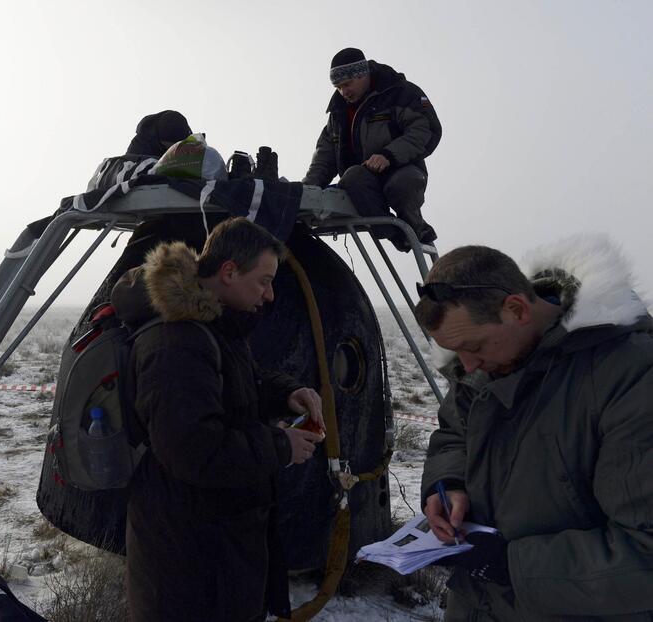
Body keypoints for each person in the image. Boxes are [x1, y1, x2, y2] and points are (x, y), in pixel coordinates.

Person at [416, 237, 653, 620]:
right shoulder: (484, 363)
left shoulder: (631, 376)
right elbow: (453, 433)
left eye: (474, 347)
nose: (468, 367)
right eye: (455, 351)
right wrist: (448, 483)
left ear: (516, 309)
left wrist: (511, 566)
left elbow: (645, 549)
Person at [111, 217, 326, 621]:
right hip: (187, 565)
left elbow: (236, 381)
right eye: (263, 280)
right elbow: (194, 449)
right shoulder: (178, 340)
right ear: (229, 272)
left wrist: (286, 393)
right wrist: (281, 446)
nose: (270, 293)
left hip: (214, 549)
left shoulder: (212, 326)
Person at [303, 47, 442, 251]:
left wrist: (389, 155)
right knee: (352, 178)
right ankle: (395, 234)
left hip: (402, 168)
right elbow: (325, 157)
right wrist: (306, 190)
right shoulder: (338, 113)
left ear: (363, 74)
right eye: (338, 87)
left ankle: (415, 226)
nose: (344, 92)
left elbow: (426, 129)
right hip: (361, 181)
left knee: (402, 183)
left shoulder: (401, 93)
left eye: (347, 84)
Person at [125, 110, 192, 157]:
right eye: (172, 146)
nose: (175, 149)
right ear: (161, 140)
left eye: (179, 145)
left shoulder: (188, 138)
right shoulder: (139, 147)